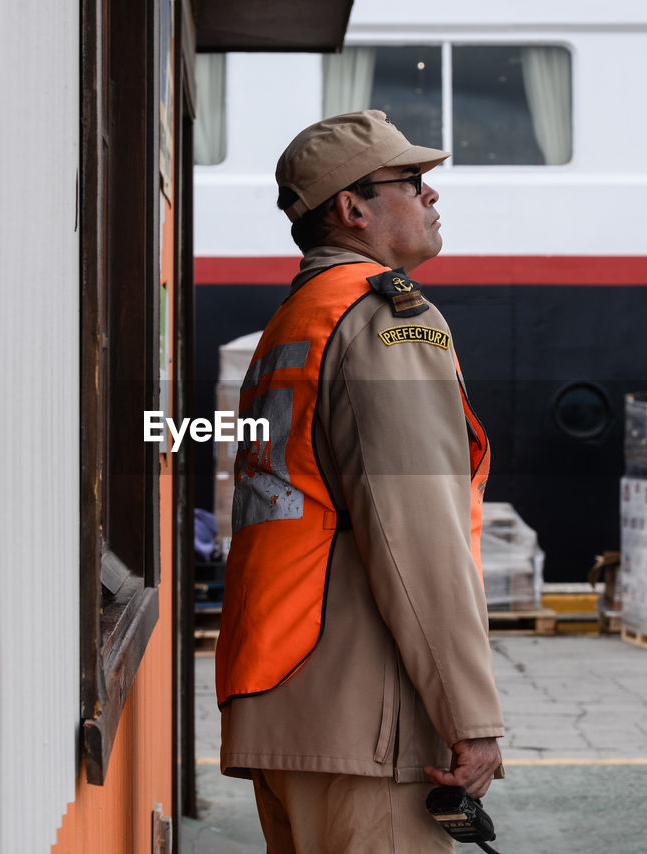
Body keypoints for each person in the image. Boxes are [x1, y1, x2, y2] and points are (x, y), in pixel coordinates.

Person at [215, 110, 505, 853]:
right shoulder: (385, 320)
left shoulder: (297, 319)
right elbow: (416, 535)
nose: (431, 195)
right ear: (352, 208)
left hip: (287, 688)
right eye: (411, 181)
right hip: (363, 717)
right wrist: (471, 717)